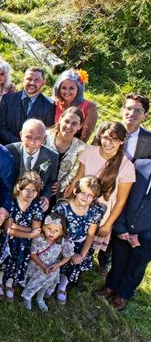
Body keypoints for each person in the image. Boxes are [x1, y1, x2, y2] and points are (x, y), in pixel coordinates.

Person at [65, 121, 135, 272]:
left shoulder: (126, 166)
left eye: (114, 139)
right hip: (79, 204)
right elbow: (79, 177)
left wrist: (108, 224)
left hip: (101, 213)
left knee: (86, 245)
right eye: (105, 137)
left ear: (122, 141)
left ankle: (73, 275)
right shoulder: (90, 151)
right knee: (68, 239)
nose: (108, 143)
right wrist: (68, 197)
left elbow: (121, 200)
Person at [96, 159, 151, 311]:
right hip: (124, 226)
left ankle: (124, 294)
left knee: (136, 267)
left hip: (146, 238)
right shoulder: (140, 165)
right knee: (118, 259)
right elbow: (124, 197)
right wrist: (120, 226)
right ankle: (111, 286)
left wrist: (143, 238)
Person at [0, 171, 44, 302]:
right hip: (7, 240)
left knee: (18, 261)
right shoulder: (11, 203)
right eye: (27, 189)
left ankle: (9, 282)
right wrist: (30, 232)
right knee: (4, 259)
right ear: (19, 187)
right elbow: (8, 230)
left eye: (34, 191)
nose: (30, 194)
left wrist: (18, 227)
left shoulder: (36, 207)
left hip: (24, 243)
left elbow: (37, 230)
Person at [54, 176, 104, 304]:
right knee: (55, 259)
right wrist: (68, 251)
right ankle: (51, 280)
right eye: (83, 192)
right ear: (76, 191)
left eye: (90, 195)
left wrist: (81, 254)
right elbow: (54, 230)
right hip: (60, 241)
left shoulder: (95, 211)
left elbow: (91, 234)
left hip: (80, 243)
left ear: (94, 198)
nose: (85, 197)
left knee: (75, 262)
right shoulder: (62, 207)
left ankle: (63, 285)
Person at [22, 213, 74, 312]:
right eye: (49, 229)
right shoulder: (38, 238)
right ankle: (27, 296)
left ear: (61, 232)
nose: (52, 233)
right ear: (43, 227)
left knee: (45, 284)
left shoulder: (63, 242)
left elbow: (68, 256)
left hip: (52, 269)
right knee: (33, 282)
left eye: (56, 231)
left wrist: (57, 265)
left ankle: (40, 299)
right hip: (37, 266)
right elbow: (33, 254)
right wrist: (43, 266)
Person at [6, 119, 59, 211]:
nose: (32, 142)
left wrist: (46, 196)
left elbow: (51, 182)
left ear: (44, 139)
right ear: (21, 135)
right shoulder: (9, 151)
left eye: (37, 138)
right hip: (10, 200)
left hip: (34, 203)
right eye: (28, 137)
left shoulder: (52, 156)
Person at [0, 66, 55, 145]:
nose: (32, 83)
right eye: (29, 79)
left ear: (43, 83)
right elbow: (0, 127)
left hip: (32, 150)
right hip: (5, 146)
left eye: (36, 80)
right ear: (23, 80)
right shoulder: (8, 99)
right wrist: (20, 144)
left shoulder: (49, 105)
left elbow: (46, 133)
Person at [45, 106, 86, 199]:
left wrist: (61, 184)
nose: (69, 126)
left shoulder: (81, 148)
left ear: (80, 126)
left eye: (74, 124)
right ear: (60, 120)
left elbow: (74, 171)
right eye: (66, 121)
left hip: (58, 193)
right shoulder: (45, 136)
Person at [52, 69, 97, 142]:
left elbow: (84, 137)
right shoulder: (54, 104)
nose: (67, 91)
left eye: (71, 88)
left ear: (79, 89)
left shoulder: (89, 107)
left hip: (74, 147)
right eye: (63, 88)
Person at [120, 93, 151, 162]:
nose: (132, 113)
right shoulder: (105, 131)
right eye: (129, 108)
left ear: (145, 115)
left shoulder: (149, 139)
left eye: (138, 110)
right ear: (122, 110)